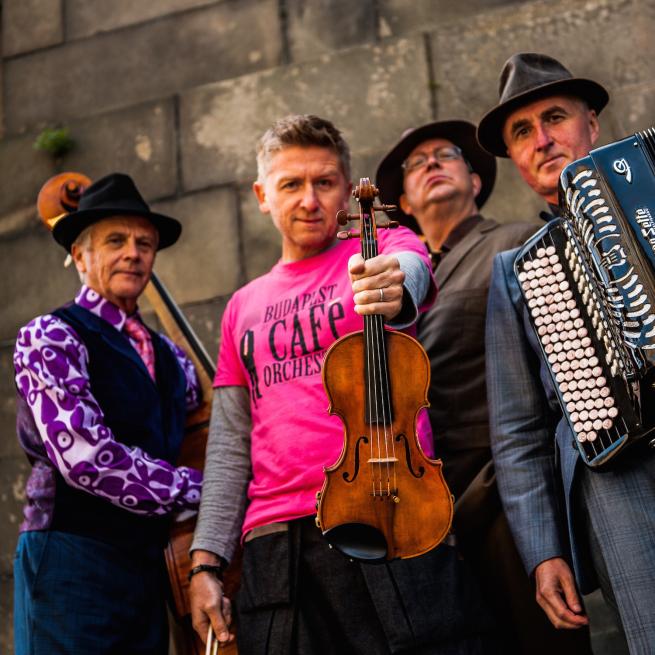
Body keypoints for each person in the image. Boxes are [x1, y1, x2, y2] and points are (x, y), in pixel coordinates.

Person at [189, 114, 499, 654]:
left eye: (325, 182)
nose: (310, 200)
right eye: (292, 184)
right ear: (263, 195)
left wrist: (392, 283)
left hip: (391, 506)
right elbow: (230, 443)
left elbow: (409, 272)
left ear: (346, 185)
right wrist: (206, 561)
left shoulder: (383, 242)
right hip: (275, 539)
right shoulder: (242, 306)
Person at [376, 120, 591, 654]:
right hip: (430, 511)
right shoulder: (392, 277)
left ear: (475, 181)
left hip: (503, 497)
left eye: (445, 155)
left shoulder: (514, 242)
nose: (430, 163)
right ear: (402, 200)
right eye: (416, 162)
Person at [479, 52, 655, 653]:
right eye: (522, 132)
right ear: (513, 160)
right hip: (618, 477)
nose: (543, 139)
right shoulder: (513, 272)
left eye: (555, 118)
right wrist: (543, 549)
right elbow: (517, 430)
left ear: (592, 126)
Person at [13, 173, 202, 654]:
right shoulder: (51, 336)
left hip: (147, 568)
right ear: (80, 256)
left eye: (144, 243)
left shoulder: (174, 359)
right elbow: (87, 459)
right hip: (70, 561)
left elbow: (210, 431)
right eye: (115, 241)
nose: (133, 254)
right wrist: (195, 488)